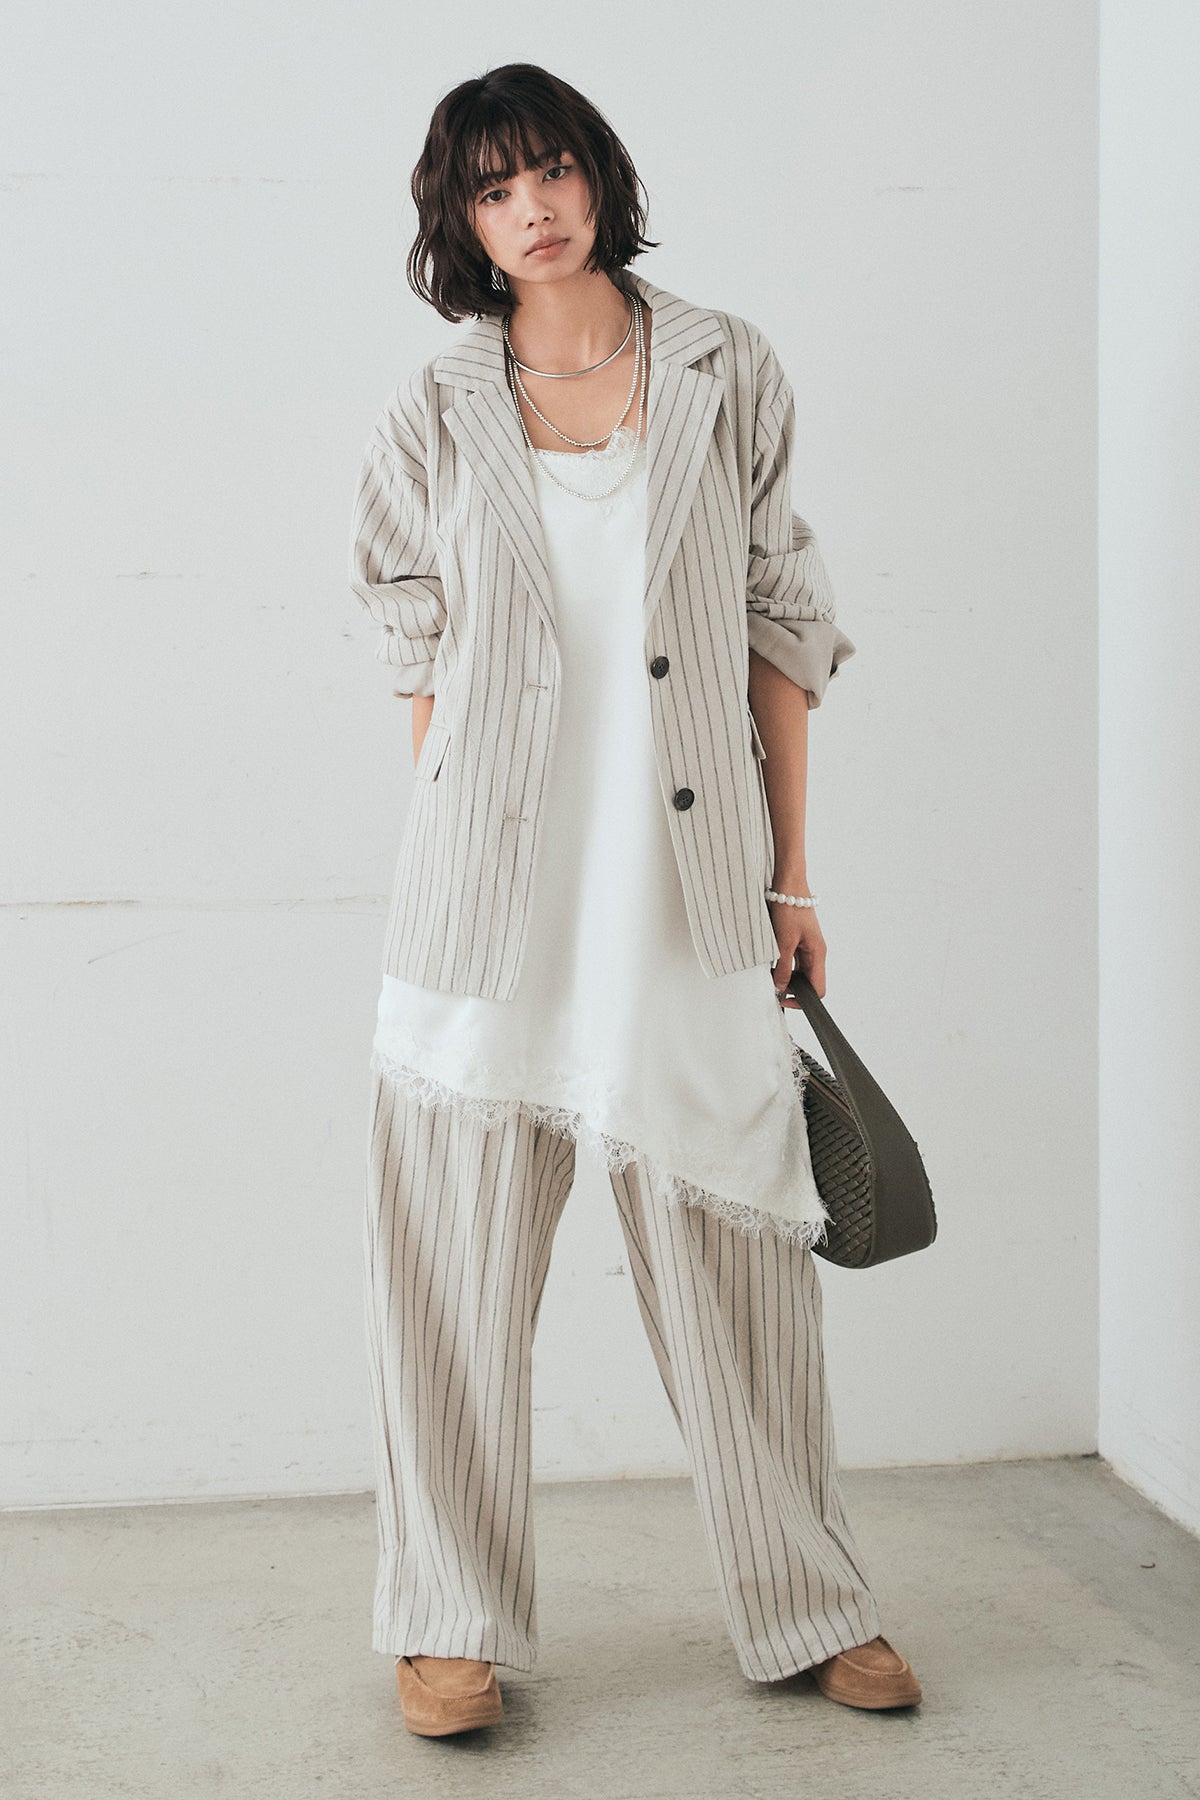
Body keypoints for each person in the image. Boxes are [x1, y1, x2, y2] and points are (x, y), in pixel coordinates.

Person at [347, 61, 922, 1738]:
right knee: (451, 1272)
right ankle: (445, 1623)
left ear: (599, 175)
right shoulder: (432, 407)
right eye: (492, 189)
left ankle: (811, 1601)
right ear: (460, 221)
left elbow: (781, 618)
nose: (531, 209)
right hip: (488, 899)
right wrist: (469, 830)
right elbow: (411, 639)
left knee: (739, 1247)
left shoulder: (725, 367)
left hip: (685, 882)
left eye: (551, 170)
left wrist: (789, 868)